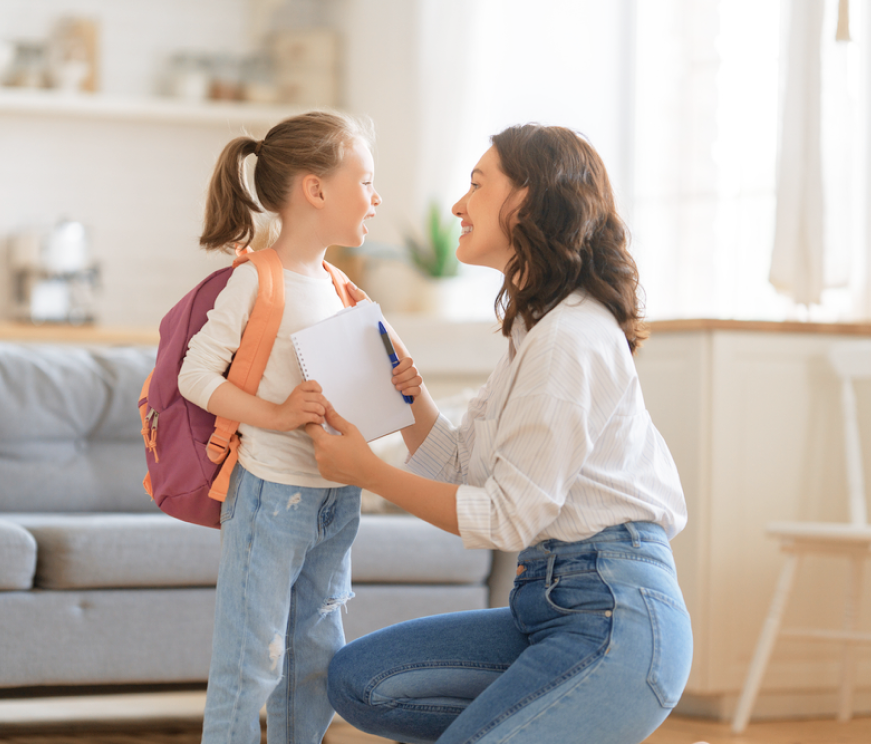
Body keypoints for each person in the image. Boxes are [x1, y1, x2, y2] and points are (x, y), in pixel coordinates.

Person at [306, 124, 693, 744]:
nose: (459, 205)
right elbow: (464, 466)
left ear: (529, 202)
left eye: (477, 185)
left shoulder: (568, 340)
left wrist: (369, 473)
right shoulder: (532, 333)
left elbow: (506, 518)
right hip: (545, 607)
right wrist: (410, 400)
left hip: (614, 615)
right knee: (359, 680)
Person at [177, 111, 404, 744]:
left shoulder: (340, 288)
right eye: (366, 181)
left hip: (337, 500)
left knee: (314, 664)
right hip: (271, 496)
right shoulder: (257, 278)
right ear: (316, 189)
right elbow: (195, 376)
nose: (377, 198)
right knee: (250, 662)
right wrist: (276, 416)